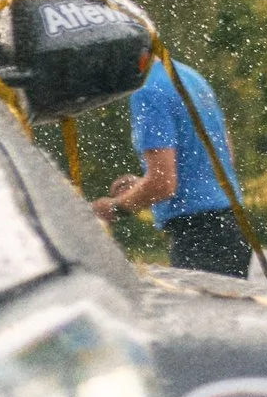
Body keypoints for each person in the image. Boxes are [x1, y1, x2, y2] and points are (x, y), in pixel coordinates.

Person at [93, 50, 252, 276]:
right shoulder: (189, 76)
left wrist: (114, 208)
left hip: (198, 237)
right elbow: (224, 158)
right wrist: (142, 184)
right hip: (231, 226)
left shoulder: (147, 91)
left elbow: (163, 183)